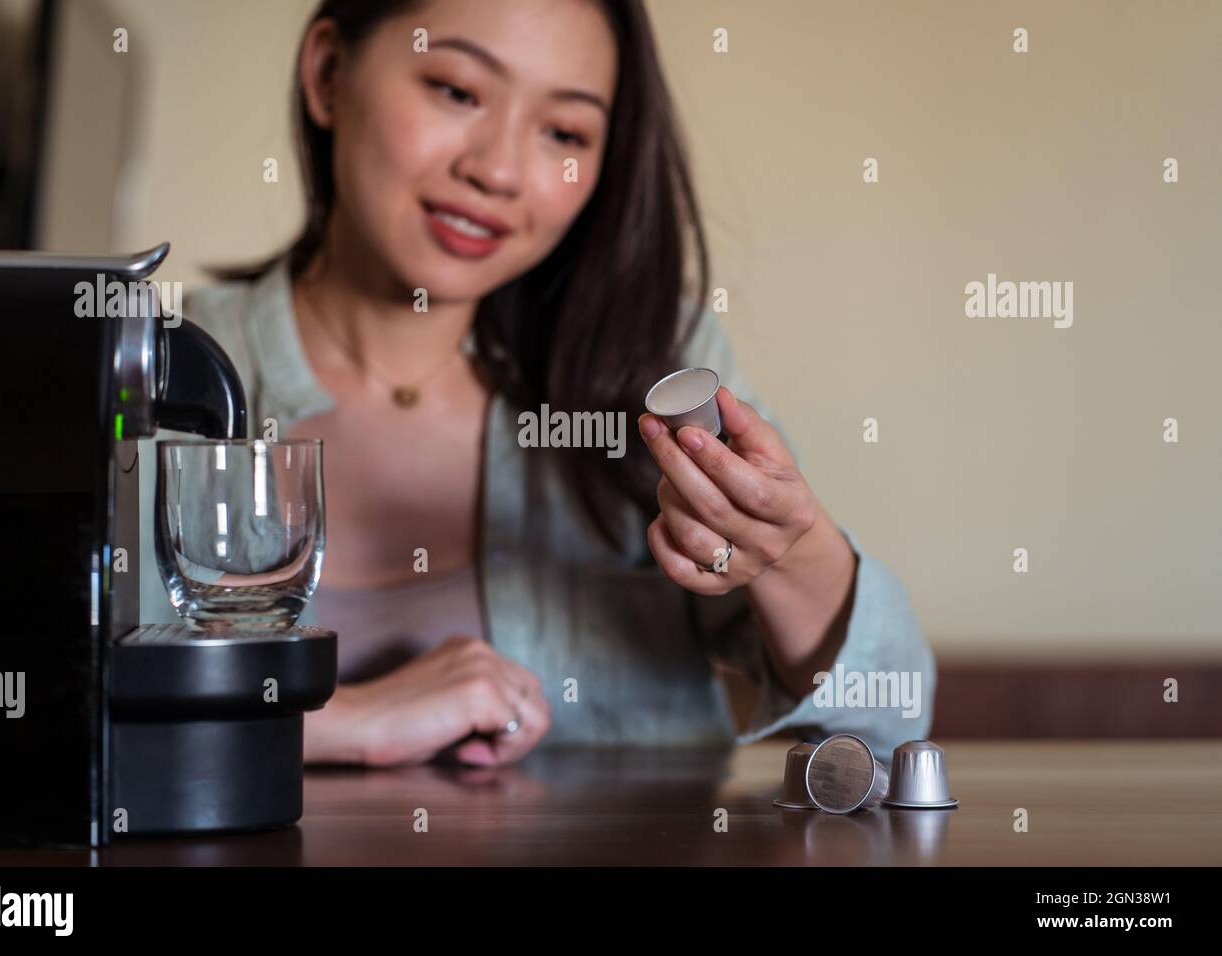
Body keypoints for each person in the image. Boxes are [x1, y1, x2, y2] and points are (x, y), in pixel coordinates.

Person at [138, 0, 936, 768]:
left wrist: (793, 553)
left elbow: (888, 723)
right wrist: (345, 721)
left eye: (564, 131)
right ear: (328, 74)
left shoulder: (657, 369)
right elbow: (32, 711)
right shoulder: (146, 364)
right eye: (455, 90)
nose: (497, 170)